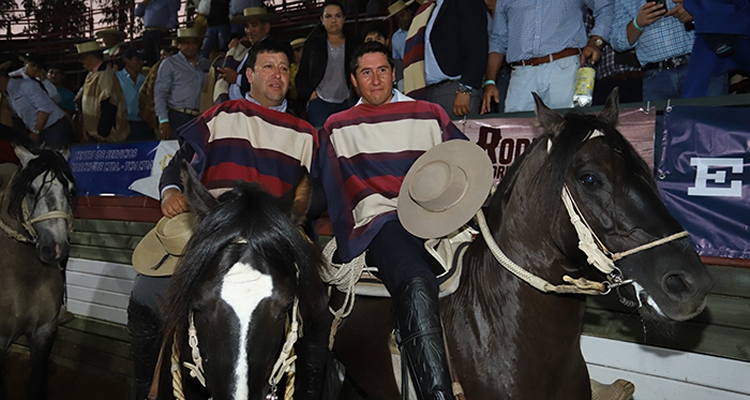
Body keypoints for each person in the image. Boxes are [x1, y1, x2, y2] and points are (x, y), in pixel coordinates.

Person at [127, 39, 326, 400]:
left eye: (283, 68)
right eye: (267, 67)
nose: (276, 74)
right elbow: (179, 163)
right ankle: (147, 389)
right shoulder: (221, 114)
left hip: (275, 230)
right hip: (217, 223)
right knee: (145, 290)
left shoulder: (306, 132)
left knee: (317, 305)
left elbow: (319, 192)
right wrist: (171, 191)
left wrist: (294, 207)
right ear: (249, 75)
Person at [311, 42, 468, 400]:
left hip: (441, 217)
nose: (376, 79)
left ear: (394, 73)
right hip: (384, 221)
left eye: (382, 70)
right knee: (414, 278)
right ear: (354, 80)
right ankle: (437, 394)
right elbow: (324, 188)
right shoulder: (338, 126)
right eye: (366, 73)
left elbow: (462, 162)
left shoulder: (429, 113)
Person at [481, 0, 613, 114]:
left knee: (567, 130)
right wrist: (490, 81)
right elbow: (498, 40)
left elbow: (605, 7)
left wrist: (596, 41)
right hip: (522, 73)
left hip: (564, 68)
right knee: (519, 131)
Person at [610, 0, 727, 100]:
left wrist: (695, 9)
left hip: (701, 65)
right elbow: (618, 42)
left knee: (709, 123)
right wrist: (638, 23)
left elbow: (728, 8)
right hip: (656, 77)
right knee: (662, 126)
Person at [403, 0, 487, 119]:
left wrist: (466, 89)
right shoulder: (430, 8)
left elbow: (477, 46)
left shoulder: (465, 2)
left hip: (454, 89)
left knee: (460, 137)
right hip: (428, 91)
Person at [295, 0, 358, 126]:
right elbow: (302, 74)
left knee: (345, 142)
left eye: (338, 16)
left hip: (347, 102)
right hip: (320, 103)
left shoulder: (355, 43)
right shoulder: (312, 44)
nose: (333, 20)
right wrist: (310, 94)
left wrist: (354, 94)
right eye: (328, 16)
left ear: (344, 18)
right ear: (322, 19)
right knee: (322, 141)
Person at [214, 6, 281, 102]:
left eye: (254, 25)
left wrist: (237, 78)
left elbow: (266, 81)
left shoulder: (270, 49)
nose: (249, 30)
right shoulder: (249, 49)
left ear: (266, 28)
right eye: (247, 26)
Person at [154, 28, 211, 139]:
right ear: (178, 45)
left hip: (200, 116)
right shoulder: (169, 63)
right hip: (178, 116)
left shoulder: (206, 64)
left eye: (194, 43)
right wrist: (163, 120)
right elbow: (160, 92)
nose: (191, 46)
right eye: (186, 43)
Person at [75, 41, 130, 142]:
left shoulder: (105, 75)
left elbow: (109, 105)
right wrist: (87, 125)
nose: (81, 62)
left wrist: (103, 133)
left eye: (82, 58)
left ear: (90, 57)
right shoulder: (92, 74)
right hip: (94, 132)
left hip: (105, 136)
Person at [0, 70, 71, 148]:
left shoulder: (26, 85)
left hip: (54, 129)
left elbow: (44, 110)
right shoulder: (8, 94)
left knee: (57, 158)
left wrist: (36, 132)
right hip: (42, 131)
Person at [116, 49, 153, 141]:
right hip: (124, 122)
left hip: (143, 122)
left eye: (141, 60)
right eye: (137, 59)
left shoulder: (145, 79)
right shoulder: (116, 77)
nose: (140, 62)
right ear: (126, 60)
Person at [135, 0, 181, 66]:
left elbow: (173, 14)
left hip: (161, 32)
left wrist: (168, 27)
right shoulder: (148, 2)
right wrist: (144, 3)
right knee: (150, 56)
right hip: (148, 31)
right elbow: (137, 13)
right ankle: (153, 72)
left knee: (162, 55)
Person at [385, 0, 417, 92]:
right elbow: (398, 62)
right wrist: (401, 85)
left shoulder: (421, 28)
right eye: (396, 18)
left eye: (402, 15)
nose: (400, 20)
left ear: (409, 12)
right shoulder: (396, 37)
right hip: (409, 76)